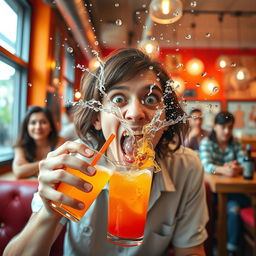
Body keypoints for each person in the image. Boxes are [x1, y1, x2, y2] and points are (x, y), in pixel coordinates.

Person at [4, 48, 208, 256]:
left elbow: (191, 251)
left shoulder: (187, 168)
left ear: (165, 119)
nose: (135, 113)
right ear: (97, 118)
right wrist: (48, 213)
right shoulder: (74, 165)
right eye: (119, 99)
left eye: (150, 99)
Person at [199, 111, 250, 255]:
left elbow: (244, 164)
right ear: (215, 126)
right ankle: (226, 246)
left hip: (233, 190)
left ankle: (230, 249)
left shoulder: (236, 143)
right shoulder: (206, 143)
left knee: (234, 208)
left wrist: (236, 168)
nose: (227, 131)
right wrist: (223, 170)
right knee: (235, 207)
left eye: (230, 127)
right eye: (223, 127)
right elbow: (205, 165)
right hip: (213, 192)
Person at [12, 106, 66, 179]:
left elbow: (59, 170)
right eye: (33, 123)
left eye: (43, 122)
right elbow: (19, 172)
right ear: (27, 127)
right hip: (30, 185)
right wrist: (47, 162)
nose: (38, 127)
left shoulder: (60, 142)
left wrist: (30, 169)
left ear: (51, 127)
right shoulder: (21, 145)